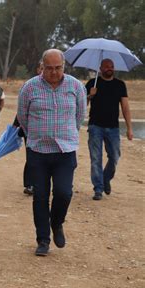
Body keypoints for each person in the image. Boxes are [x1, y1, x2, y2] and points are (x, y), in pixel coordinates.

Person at [17, 49, 86, 256]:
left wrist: (66, 134)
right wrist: (36, 136)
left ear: (64, 66)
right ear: (42, 67)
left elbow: (80, 115)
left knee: (64, 192)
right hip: (38, 150)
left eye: (58, 68)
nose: (54, 72)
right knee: (40, 196)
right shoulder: (30, 88)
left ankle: (57, 223)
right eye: (49, 68)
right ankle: (43, 240)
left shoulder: (75, 86)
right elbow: (23, 117)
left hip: (65, 151)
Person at [85, 59, 133, 201]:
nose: (109, 69)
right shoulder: (92, 83)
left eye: (111, 66)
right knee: (96, 158)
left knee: (114, 156)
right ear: (100, 68)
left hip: (113, 128)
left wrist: (129, 128)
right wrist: (90, 95)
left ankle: (105, 179)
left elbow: (125, 107)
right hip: (95, 127)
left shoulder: (120, 85)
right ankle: (98, 189)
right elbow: (81, 104)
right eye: (106, 67)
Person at [13, 61, 44, 196]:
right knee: (32, 156)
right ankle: (30, 184)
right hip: (30, 129)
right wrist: (18, 125)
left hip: (48, 130)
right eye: (43, 68)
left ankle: (42, 184)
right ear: (38, 70)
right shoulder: (30, 86)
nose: (46, 71)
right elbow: (22, 109)